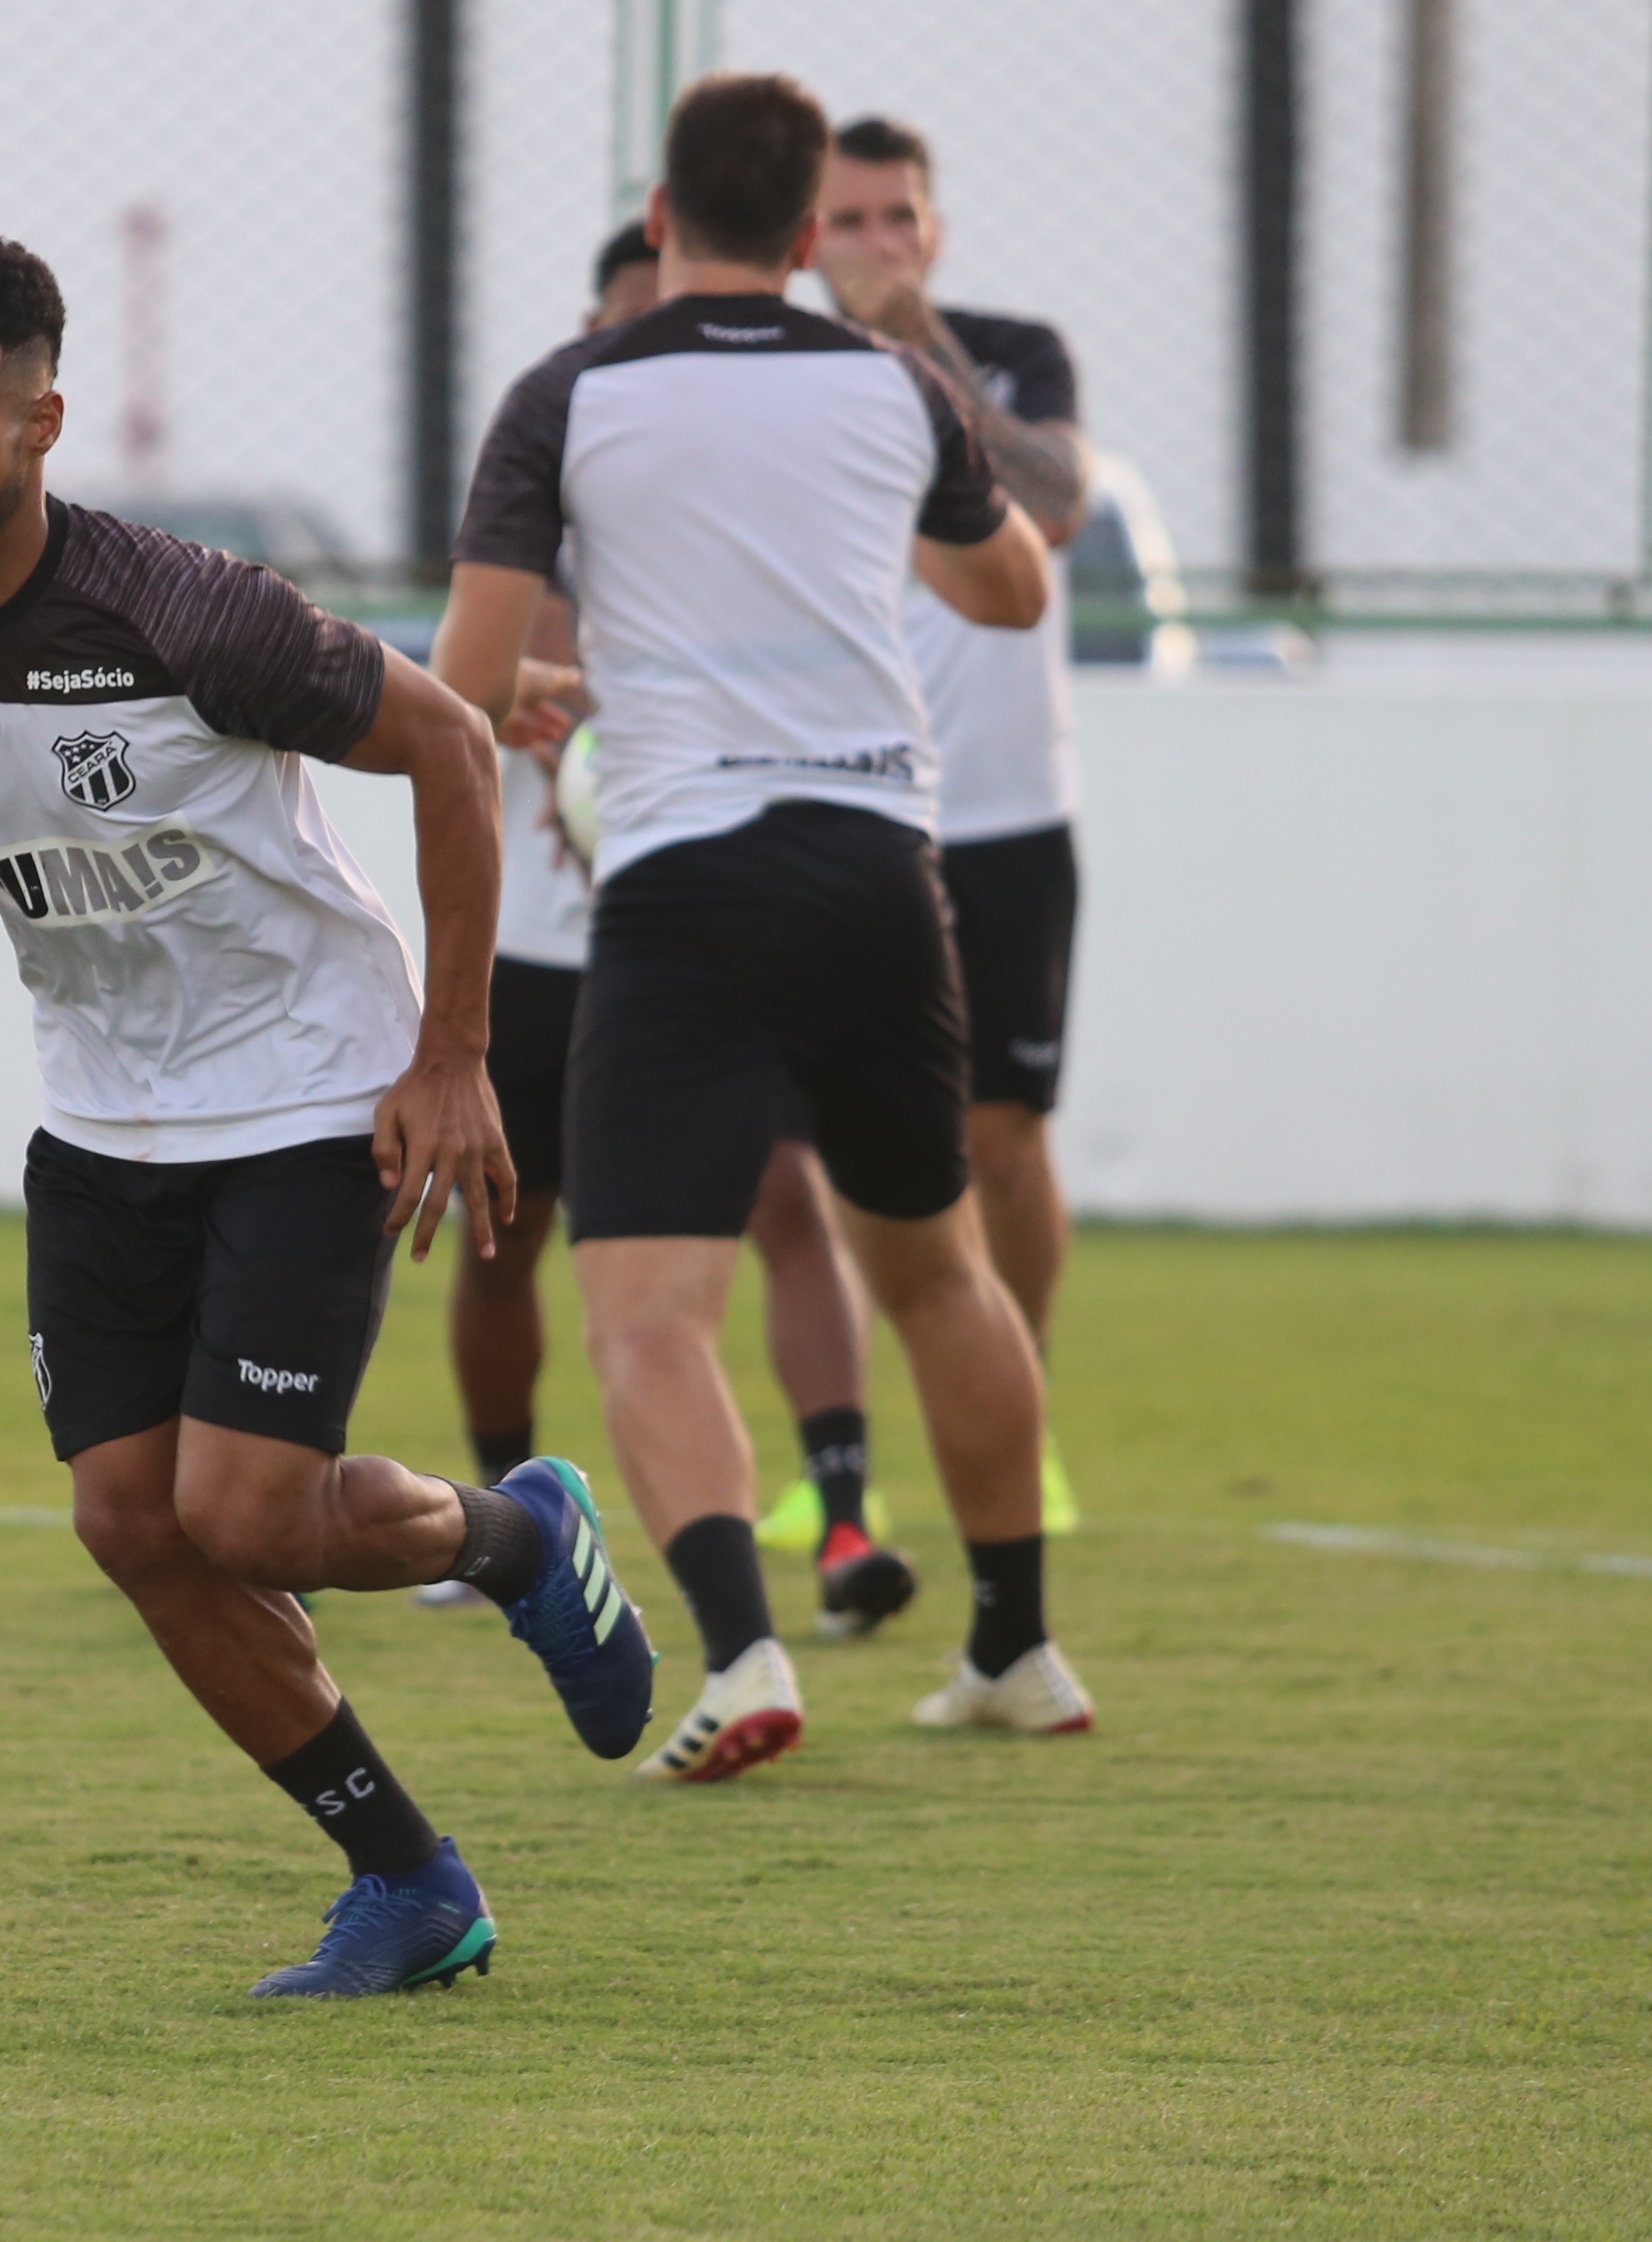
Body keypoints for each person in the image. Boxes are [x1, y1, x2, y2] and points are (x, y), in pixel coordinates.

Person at [0, 230, 655, 1999]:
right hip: (102, 1123)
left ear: (41, 425)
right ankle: (407, 1880)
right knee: (130, 1524)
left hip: (308, 1089)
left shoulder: (185, 614)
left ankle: (519, 1538)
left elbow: (450, 745)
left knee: (247, 1515)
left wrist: (451, 1054)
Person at [433, 74, 1099, 1781]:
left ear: (662, 218)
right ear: (809, 233)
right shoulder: (895, 386)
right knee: (938, 1273)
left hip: (687, 884)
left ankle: (740, 1652)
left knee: (647, 1311)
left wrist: (544, 692)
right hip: (883, 869)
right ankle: (1015, 1645)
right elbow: (1013, 588)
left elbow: (465, 678)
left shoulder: (569, 393)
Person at [425, 222, 897, 1649]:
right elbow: (469, 681)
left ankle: (848, 1514)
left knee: (790, 1199)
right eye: (637, 319)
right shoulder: (545, 481)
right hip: (543, 955)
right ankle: (512, 1519)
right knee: (505, 1237)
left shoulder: (762, 505)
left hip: (707, 936)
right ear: (597, 330)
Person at [807, 113, 1089, 1534]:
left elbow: (1060, 507)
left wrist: (930, 352)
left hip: (1010, 811)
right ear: (804, 237)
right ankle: (841, 1458)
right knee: (851, 1153)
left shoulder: (1011, 354)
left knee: (1005, 1136)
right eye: (849, 220)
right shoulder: (779, 376)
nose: (879, 245)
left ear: (936, 228)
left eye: (898, 217)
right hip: (857, 807)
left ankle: (1016, 1423)